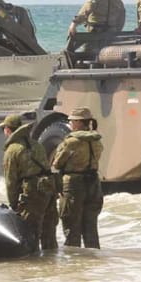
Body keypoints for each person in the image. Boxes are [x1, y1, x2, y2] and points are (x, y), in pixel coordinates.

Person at [0, 114, 58, 250]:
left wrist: (13, 204)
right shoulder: (36, 144)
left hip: (32, 193)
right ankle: (53, 266)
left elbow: (10, 181)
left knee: (30, 233)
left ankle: (33, 267)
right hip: (48, 188)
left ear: (8, 130)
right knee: (49, 234)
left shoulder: (12, 150)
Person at [51, 107, 104, 249]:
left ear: (80, 122)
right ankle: (93, 260)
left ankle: (74, 263)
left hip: (73, 185)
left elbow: (57, 163)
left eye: (72, 121)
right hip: (93, 183)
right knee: (91, 227)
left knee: (71, 226)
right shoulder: (96, 140)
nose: (71, 124)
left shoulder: (71, 142)